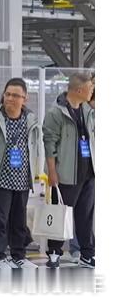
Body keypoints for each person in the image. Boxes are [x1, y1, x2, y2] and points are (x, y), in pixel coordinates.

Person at [0, 78, 43, 270]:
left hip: (22, 179)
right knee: (0, 219)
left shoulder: (31, 121)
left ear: (25, 98)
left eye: (15, 95)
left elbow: (36, 148)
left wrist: (37, 172)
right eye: (7, 94)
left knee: (19, 220)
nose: (10, 99)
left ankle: (19, 255)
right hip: (1, 179)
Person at [43, 72, 95, 269]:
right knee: (60, 214)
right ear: (79, 90)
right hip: (65, 173)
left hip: (88, 173)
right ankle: (54, 252)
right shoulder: (56, 113)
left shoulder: (87, 111)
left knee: (85, 216)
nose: (92, 91)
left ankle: (87, 254)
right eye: (90, 88)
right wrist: (52, 171)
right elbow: (49, 143)